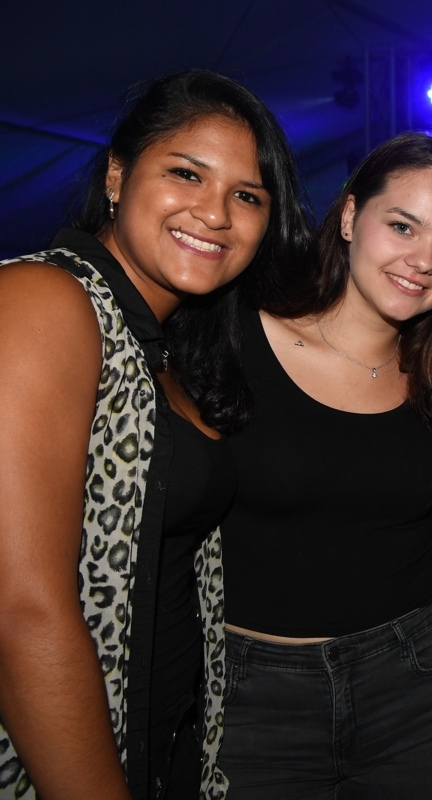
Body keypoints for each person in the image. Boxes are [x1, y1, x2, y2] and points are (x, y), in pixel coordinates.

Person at [0, 70, 309, 799]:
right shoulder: (42, 299)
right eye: (186, 174)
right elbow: (20, 612)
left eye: (248, 196)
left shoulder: (168, 352)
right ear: (117, 175)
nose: (216, 213)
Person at [215, 132, 432, 798]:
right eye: (403, 226)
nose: (422, 261)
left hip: (416, 683)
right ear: (348, 216)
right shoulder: (232, 338)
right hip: (252, 696)